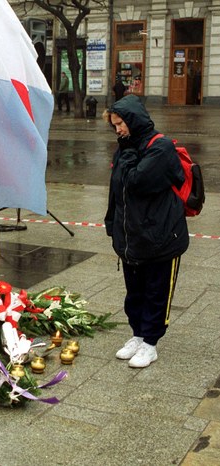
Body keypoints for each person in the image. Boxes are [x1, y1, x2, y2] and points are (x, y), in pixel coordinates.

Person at [103, 94, 188, 369]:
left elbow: (137, 181)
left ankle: (151, 343)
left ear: (133, 120)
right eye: (114, 126)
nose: (118, 130)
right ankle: (138, 335)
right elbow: (117, 190)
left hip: (161, 237)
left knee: (156, 292)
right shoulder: (125, 148)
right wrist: (111, 222)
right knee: (135, 291)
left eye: (120, 124)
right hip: (132, 236)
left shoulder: (160, 148)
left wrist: (127, 154)